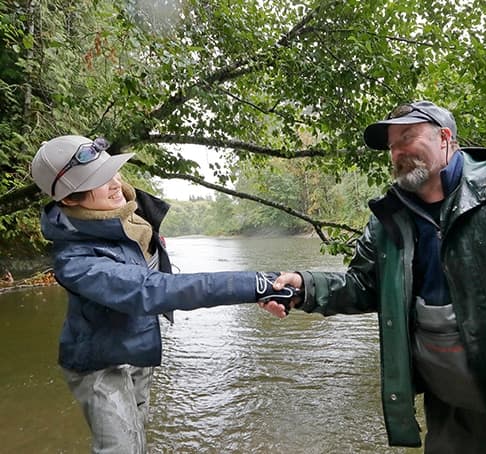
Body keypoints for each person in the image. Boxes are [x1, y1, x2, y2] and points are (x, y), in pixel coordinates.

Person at [262, 101, 486, 453]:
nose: (398, 151)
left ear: (446, 138)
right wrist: (305, 287)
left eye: (408, 137)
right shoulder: (388, 220)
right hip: (453, 417)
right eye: (392, 146)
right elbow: (362, 286)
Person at [30, 135, 291, 454]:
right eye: (98, 180)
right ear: (69, 200)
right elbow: (151, 289)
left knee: (139, 433)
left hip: (136, 346)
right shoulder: (76, 262)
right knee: (122, 447)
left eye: (111, 170)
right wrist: (256, 285)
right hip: (98, 361)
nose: (115, 183)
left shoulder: (132, 216)